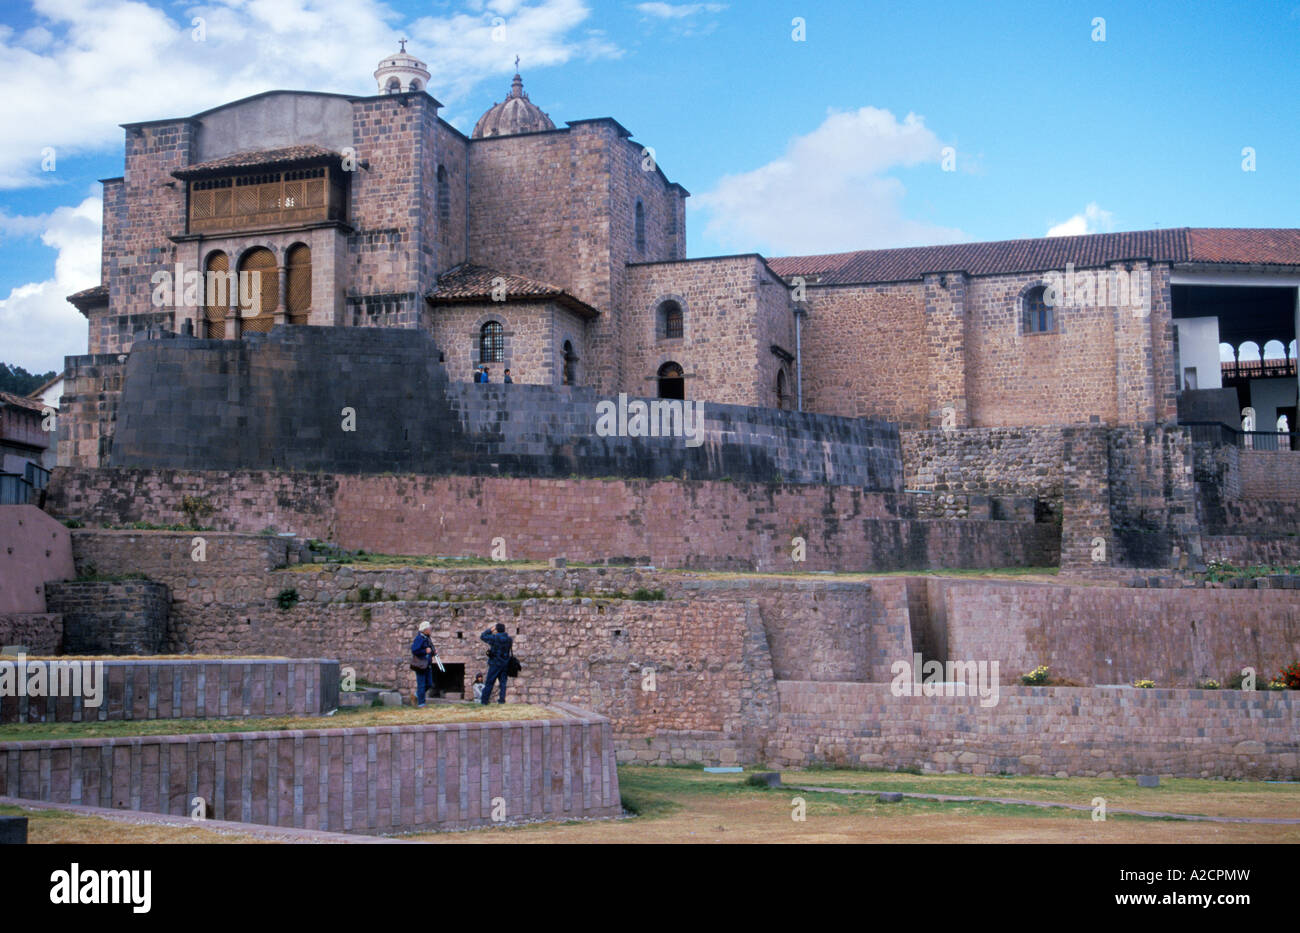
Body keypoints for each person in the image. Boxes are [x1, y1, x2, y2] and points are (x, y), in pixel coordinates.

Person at [480, 622, 513, 704]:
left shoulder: (494, 638)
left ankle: (484, 701)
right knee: (503, 683)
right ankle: (501, 700)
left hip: (495, 663)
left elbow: (482, 636)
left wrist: (490, 630)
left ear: (497, 629)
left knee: (489, 682)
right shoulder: (509, 639)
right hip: (505, 663)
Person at [410, 621, 437, 708]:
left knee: (429, 684)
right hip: (421, 665)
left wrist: (433, 652)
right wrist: (424, 651)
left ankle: (416, 695)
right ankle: (421, 704)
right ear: (425, 630)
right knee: (421, 685)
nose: (430, 629)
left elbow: (429, 650)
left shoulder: (427, 638)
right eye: (429, 628)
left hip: (427, 664)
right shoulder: (419, 638)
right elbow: (415, 650)